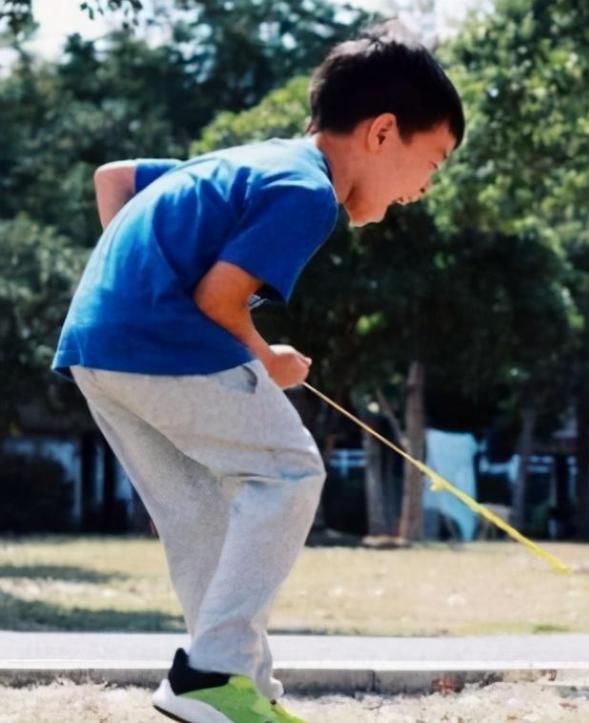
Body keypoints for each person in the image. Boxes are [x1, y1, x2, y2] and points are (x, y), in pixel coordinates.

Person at [52, 23, 463, 723]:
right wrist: (265, 357)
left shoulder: (249, 161)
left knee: (198, 515)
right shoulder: (306, 192)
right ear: (383, 132)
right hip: (160, 343)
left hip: (97, 346)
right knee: (290, 471)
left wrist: (130, 280)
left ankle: (243, 691)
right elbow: (218, 298)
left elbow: (115, 179)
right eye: (435, 160)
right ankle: (209, 675)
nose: (424, 187)